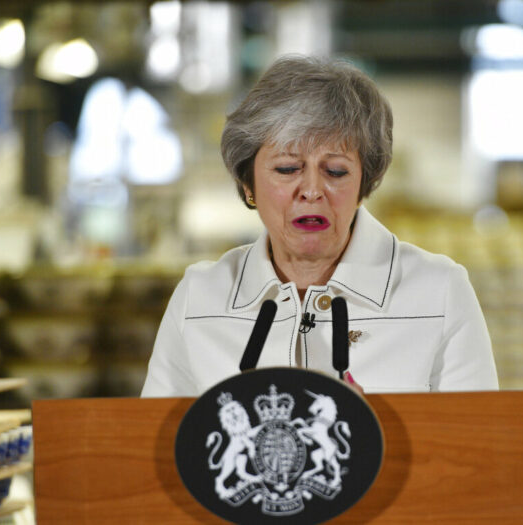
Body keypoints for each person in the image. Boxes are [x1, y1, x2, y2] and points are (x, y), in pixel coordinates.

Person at [141, 55, 498, 397]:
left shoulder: (440, 291)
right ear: (248, 184)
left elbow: (480, 448)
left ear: (364, 183)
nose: (312, 190)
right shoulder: (199, 296)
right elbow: (153, 447)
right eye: (287, 169)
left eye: (336, 171)